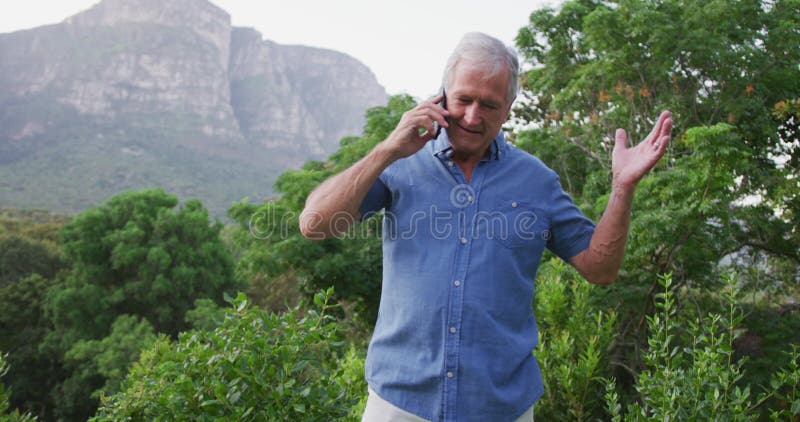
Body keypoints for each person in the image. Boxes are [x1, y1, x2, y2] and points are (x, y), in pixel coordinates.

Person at [299, 32, 671, 422]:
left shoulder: (537, 181)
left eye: (489, 105)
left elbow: (601, 268)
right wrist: (387, 148)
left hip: (500, 409)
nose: (473, 117)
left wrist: (622, 188)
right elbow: (314, 224)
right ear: (441, 95)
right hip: (399, 404)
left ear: (508, 109)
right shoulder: (400, 163)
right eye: (463, 99)